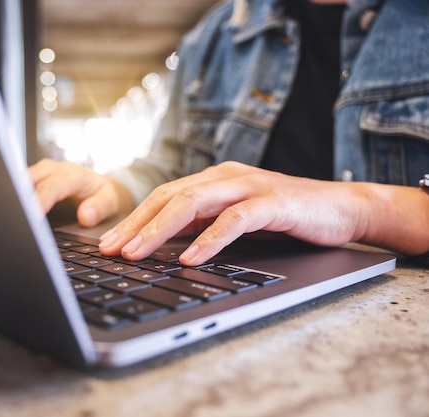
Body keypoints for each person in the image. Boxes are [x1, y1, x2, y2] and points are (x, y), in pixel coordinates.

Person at [30, 0, 429, 266]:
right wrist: (114, 189)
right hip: (224, 283)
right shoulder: (216, 34)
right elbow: (175, 169)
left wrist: (357, 209)